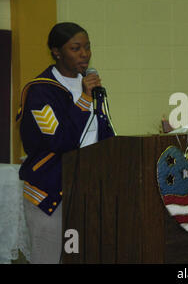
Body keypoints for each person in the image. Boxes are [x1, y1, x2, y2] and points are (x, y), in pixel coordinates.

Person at [16, 22, 115, 263]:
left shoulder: (93, 88)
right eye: (76, 48)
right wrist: (84, 100)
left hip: (88, 190)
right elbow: (60, 141)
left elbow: (104, 135)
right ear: (57, 52)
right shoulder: (40, 91)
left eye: (88, 47)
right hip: (50, 192)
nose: (85, 54)